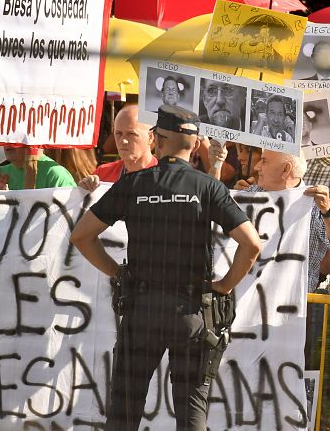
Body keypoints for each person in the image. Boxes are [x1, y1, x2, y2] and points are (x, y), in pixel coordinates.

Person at [70, 104, 262, 431]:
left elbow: (82, 236)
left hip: (141, 312)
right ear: (194, 143)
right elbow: (252, 244)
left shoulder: (134, 184)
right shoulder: (208, 187)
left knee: (124, 413)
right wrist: (225, 285)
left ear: (158, 140)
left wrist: (117, 272)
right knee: (191, 414)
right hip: (191, 313)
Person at [242, 149, 330, 367]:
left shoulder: (315, 201)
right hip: (251, 306)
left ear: (286, 169)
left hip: (296, 312)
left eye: (264, 161)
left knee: (290, 372)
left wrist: (328, 211)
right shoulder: (250, 195)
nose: (256, 167)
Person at [80, 104, 157, 187]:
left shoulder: (164, 176)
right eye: (118, 133)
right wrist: (83, 191)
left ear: (150, 137)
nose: (123, 140)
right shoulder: (102, 174)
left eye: (131, 134)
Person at [0, 147, 76, 190]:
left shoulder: (55, 174)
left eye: (17, 134)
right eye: (6, 134)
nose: (8, 141)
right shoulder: (0, 173)